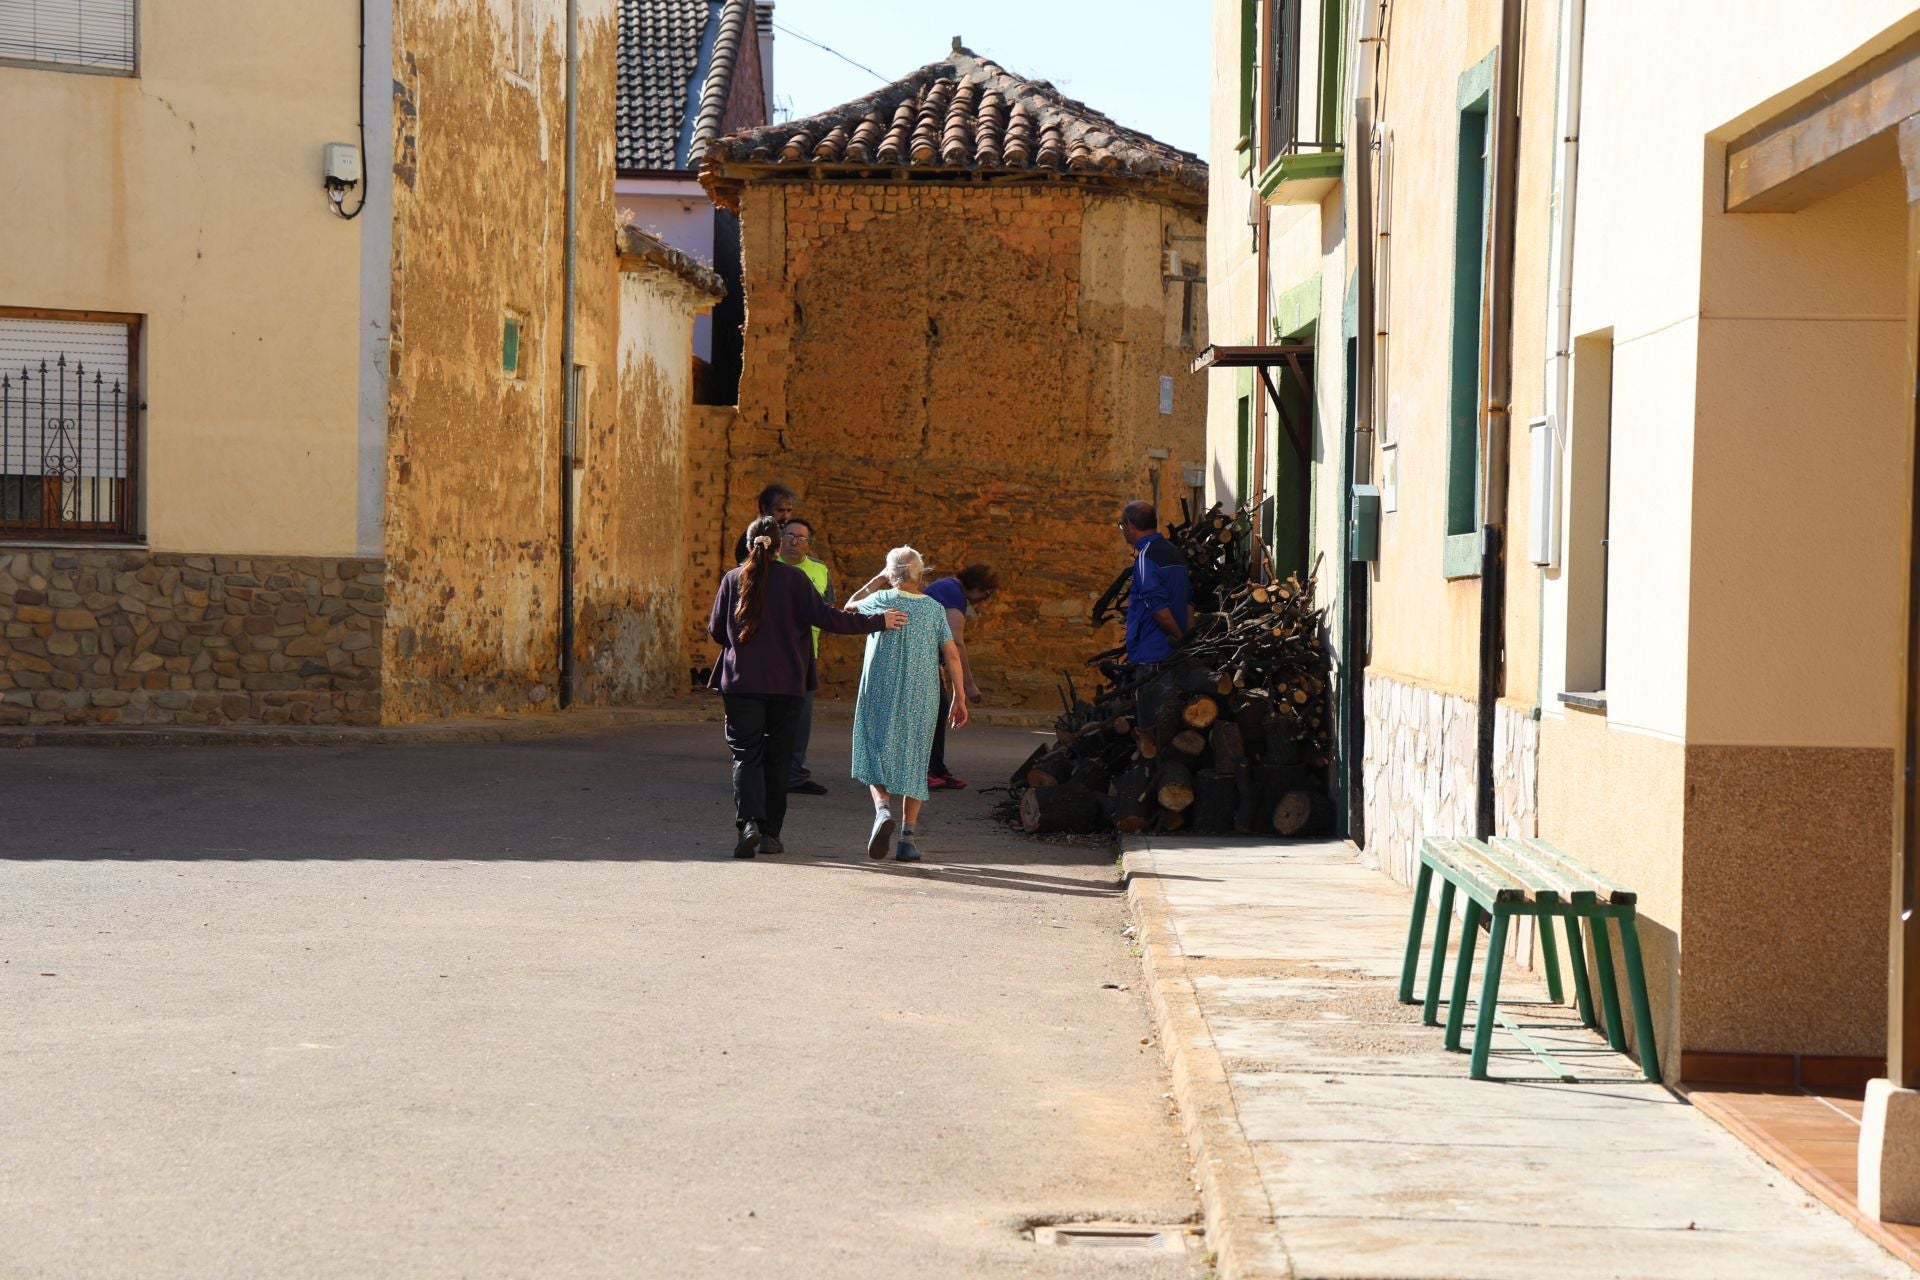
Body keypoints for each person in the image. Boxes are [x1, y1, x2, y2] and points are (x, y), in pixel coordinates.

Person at [709, 516, 906, 859]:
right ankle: (771, 835)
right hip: (787, 684)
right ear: (779, 544)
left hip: (742, 682)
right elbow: (829, 618)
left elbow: (716, 631)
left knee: (746, 757)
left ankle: (748, 825)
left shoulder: (732, 579)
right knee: (778, 758)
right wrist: (879, 621)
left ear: (749, 541)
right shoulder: (795, 579)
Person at [846, 547, 970, 862]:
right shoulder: (933, 609)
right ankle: (907, 839)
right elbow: (952, 653)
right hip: (923, 694)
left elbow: (848, 606)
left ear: (890, 572)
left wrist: (876, 581)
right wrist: (959, 695)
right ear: (921, 573)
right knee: (915, 757)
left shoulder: (879, 601)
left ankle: (882, 810)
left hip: (879, 690)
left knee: (874, 749)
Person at [923, 562, 999, 791]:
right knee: (931, 713)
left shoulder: (947, 588)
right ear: (976, 587)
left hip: (927, 659)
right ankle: (922, 771)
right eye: (986, 594)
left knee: (939, 709)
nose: (984, 600)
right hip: (919, 659)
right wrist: (968, 685)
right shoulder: (952, 594)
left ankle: (936, 769)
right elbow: (955, 643)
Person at [777, 516, 831, 796]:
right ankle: (763, 776)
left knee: (800, 720)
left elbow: (828, 609)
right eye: (788, 535)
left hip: (806, 656)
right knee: (770, 720)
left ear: (809, 545)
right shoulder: (767, 568)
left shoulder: (820, 570)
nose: (794, 542)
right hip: (771, 657)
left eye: (801, 538)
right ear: (779, 538)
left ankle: (795, 775)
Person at [1120, 500, 1193, 665]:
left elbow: (1159, 611)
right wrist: (1189, 644)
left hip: (1153, 654)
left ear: (1130, 525)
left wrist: (1180, 641)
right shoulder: (1174, 551)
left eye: (1122, 525)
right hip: (1174, 655)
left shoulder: (1146, 558)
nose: (1122, 530)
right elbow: (1188, 603)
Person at [731, 483, 796, 563]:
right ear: (765, 508)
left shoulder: (790, 533)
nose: (786, 516)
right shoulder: (753, 536)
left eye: (789, 510)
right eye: (780, 510)